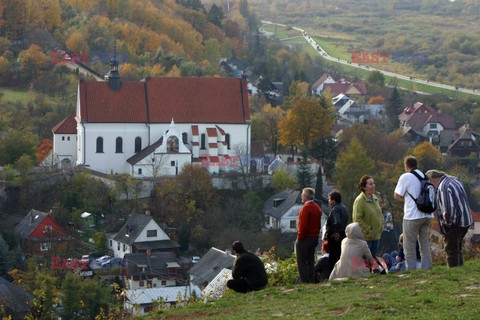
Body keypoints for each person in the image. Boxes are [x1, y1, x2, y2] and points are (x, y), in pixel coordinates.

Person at [426, 170, 473, 267]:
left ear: (433, 180)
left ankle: (454, 272)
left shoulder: (443, 187)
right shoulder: (454, 180)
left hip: (455, 223)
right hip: (466, 219)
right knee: (457, 247)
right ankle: (460, 269)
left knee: (450, 249)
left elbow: (448, 208)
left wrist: (447, 223)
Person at [394, 156, 433, 270]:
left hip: (412, 216)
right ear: (416, 165)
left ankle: (411, 269)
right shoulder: (424, 176)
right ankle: (427, 268)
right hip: (427, 215)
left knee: (409, 245)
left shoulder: (406, 176)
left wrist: (406, 199)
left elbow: (397, 195)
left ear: (406, 166)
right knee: (424, 244)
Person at [296, 187, 322, 283]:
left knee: (301, 261)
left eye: (302, 195)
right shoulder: (317, 207)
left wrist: (299, 238)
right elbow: (318, 224)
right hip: (314, 237)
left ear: (306, 196)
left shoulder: (306, 209)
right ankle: (311, 279)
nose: (301, 196)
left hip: (305, 238)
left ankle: (305, 280)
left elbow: (303, 226)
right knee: (310, 260)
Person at [352, 176, 383, 258]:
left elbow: (379, 214)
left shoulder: (375, 198)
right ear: (364, 187)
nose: (373, 185)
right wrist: (368, 229)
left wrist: (381, 226)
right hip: (366, 238)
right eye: (370, 184)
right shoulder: (359, 200)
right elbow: (357, 219)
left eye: (373, 183)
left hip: (376, 236)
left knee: (372, 259)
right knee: (365, 261)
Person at [324, 190, 349, 273]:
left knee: (333, 256)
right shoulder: (344, 207)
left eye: (329, 199)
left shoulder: (335, 209)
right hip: (343, 233)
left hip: (335, 236)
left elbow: (337, 221)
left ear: (333, 200)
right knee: (340, 254)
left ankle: (333, 274)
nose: (329, 201)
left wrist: (335, 232)